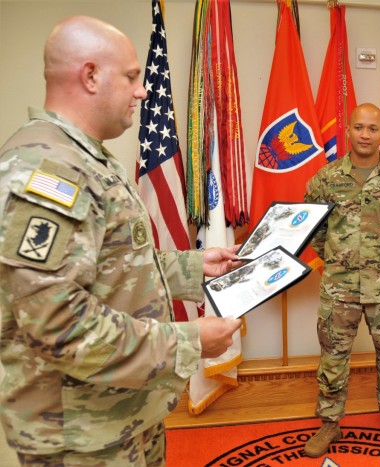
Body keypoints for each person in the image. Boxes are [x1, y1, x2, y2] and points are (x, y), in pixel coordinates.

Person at [0, 16, 242, 466]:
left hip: (122, 411)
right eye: (131, 76)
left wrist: (192, 266)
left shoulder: (85, 157)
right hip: (81, 434)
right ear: (90, 76)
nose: (142, 90)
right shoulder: (51, 171)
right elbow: (59, 326)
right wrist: (189, 342)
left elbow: (110, 266)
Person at [303, 103, 380, 457]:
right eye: (359, 127)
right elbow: (313, 229)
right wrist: (338, 258)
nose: (365, 134)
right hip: (339, 289)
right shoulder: (326, 178)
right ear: (349, 130)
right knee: (332, 358)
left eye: (373, 128)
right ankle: (329, 424)